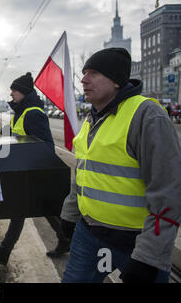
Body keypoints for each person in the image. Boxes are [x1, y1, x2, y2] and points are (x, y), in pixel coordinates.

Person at [60, 48, 181, 283]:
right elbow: (84, 173)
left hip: (136, 241)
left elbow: (169, 190)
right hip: (89, 233)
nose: (84, 79)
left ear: (115, 81)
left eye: (93, 73)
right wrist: (70, 213)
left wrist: (150, 255)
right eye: (84, 73)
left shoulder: (147, 115)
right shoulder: (92, 118)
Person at [0, 72, 71, 265]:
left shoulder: (33, 113)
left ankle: (4, 251)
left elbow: (46, 145)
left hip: (33, 170)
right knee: (44, 208)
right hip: (26, 169)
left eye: (14, 90)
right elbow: (16, 139)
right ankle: (65, 239)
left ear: (23, 92)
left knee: (19, 209)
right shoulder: (21, 112)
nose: (11, 93)